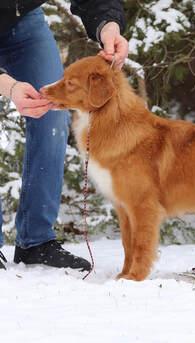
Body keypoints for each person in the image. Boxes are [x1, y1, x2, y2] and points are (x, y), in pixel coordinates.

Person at [0, 1, 129, 270]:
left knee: (53, 110)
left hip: (24, 20)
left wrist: (109, 26)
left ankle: (35, 242)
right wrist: (9, 86)